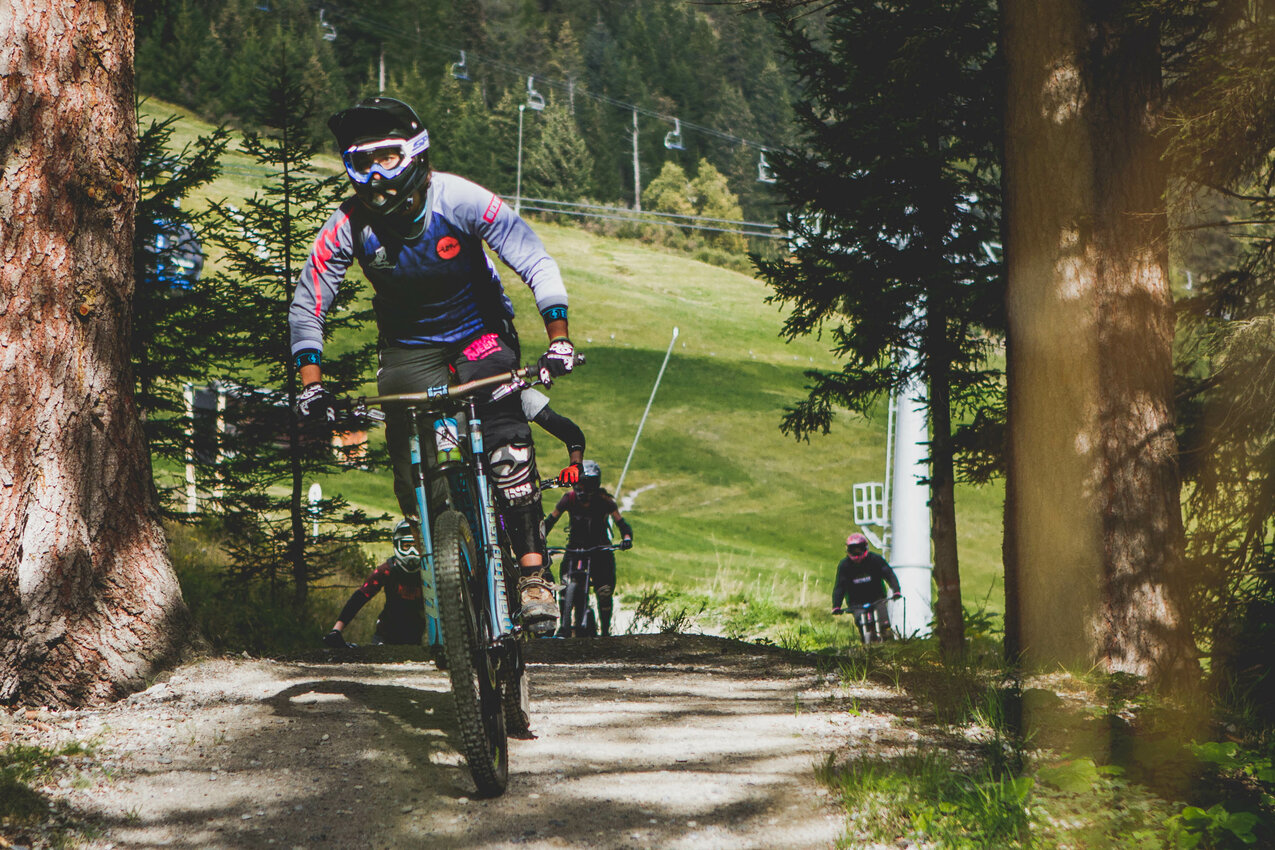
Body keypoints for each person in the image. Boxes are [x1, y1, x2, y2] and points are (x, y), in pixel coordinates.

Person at [289, 96, 577, 635]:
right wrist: (311, 384)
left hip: (480, 333)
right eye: (361, 162)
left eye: (388, 157)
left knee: (507, 444)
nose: (376, 175)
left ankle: (533, 574)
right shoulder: (348, 225)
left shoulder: (459, 198)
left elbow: (533, 258)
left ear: (416, 154)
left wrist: (557, 339)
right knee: (411, 471)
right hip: (408, 348)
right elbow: (309, 304)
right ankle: (446, 565)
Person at [543, 460, 633, 637]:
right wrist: (539, 539)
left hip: (600, 550)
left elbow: (622, 524)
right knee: (564, 586)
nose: (583, 490)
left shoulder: (605, 501)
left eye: (588, 485)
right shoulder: (568, 499)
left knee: (604, 592)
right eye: (579, 484)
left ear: (595, 485)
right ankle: (564, 624)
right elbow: (551, 520)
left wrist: (627, 539)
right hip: (574, 548)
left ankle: (605, 631)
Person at [323, 521, 425, 647]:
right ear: (396, 545)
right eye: (406, 546)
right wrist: (336, 630)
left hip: (414, 637)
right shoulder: (387, 570)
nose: (411, 552)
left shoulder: (429, 572)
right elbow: (361, 596)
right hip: (385, 634)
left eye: (416, 546)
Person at [832, 532, 903, 638]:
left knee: (885, 625)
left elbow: (889, 575)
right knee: (861, 624)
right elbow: (840, 586)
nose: (856, 553)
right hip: (856, 603)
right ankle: (865, 642)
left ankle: (888, 641)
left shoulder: (876, 560)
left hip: (877, 599)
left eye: (859, 549)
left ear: (865, 548)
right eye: (853, 550)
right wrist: (836, 606)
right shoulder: (844, 565)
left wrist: (896, 591)